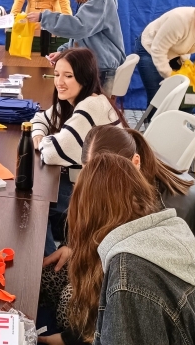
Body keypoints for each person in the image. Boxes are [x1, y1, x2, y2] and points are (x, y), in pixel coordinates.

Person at [39, 126, 195, 339]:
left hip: (155, 307)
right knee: (51, 276)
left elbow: (129, 294)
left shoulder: (165, 209)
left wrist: (65, 339)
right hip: (152, 299)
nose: (93, 185)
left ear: (134, 163)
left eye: (99, 175)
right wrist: (73, 248)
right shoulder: (134, 194)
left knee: (70, 300)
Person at [30, 48, 126, 257]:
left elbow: (54, 152)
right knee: (38, 197)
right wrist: (39, 133)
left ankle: (46, 269)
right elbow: (39, 119)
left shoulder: (89, 107)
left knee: (35, 203)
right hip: (95, 187)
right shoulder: (79, 101)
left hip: (106, 199)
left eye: (68, 76)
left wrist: (43, 141)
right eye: (57, 75)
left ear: (84, 77)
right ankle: (47, 261)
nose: (59, 82)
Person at [28, 0, 125, 97]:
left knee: (93, 116)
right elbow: (87, 36)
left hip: (101, 68)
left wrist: (44, 17)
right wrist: (64, 51)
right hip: (97, 64)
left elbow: (79, 27)